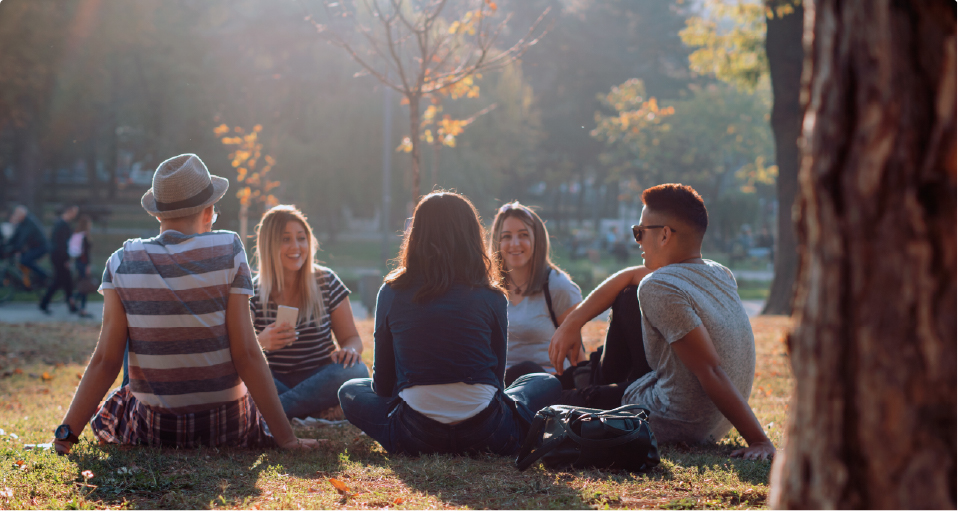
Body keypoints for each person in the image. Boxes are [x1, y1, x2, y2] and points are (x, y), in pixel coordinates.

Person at [51, 153, 319, 454]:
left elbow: (106, 360)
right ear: (209, 210)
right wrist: (287, 440)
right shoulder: (228, 249)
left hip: (155, 430)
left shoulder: (122, 260)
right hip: (226, 426)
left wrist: (65, 437)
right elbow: (246, 352)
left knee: (128, 371)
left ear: (157, 214)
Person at [550, 183, 775, 460]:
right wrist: (573, 322)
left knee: (546, 402)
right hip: (714, 423)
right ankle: (587, 378)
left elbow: (711, 370)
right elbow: (630, 276)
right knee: (628, 296)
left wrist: (759, 440)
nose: (638, 241)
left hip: (674, 418)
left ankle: (584, 383)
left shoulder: (659, 287)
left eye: (640, 232)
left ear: (665, 235)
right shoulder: (719, 272)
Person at [339, 191, 562, 456]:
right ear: (471, 235)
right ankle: (516, 428)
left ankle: (403, 432)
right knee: (545, 382)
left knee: (350, 390)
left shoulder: (391, 292)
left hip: (415, 434)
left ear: (417, 235)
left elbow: (383, 385)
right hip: (488, 432)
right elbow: (496, 382)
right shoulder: (491, 295)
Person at [249, 205, 368, 420]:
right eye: (285, 239)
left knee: (356, 371)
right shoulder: (252, 292)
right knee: (243, 376)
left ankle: (274, 412)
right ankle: (313, 411)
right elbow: (242, 354)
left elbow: (352, 338)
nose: (296, 246)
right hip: (274, 379)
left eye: (301, 238)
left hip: (320, 378)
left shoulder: (327, 281)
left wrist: (350, 350)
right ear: (269, 245)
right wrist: (261, 342)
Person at [489, 202, 583, 385]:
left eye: (523, 235)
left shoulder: (557, 286)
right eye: (506, 236)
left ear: (537, 239)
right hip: (501, 388)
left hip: (548, 388)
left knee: (528, 371)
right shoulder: (488, 289)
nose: (514, 243)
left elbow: (577, 358)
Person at [40, 205, 79, 314]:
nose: (75, 215)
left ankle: (71, 305)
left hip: (58, 256)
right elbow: (62, 245)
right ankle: (44, 303)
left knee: (67, 282)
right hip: (60, 257)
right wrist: (66, 259)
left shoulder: (61, 224)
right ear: (69, 211)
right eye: (75, 212)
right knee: (58, 281)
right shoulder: (62, 225)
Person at [3, 205, 49, 287]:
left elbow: (22, 238)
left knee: (25, 260)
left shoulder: (29, 222)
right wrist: (5, 244)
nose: (16, 216)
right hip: (33, 247)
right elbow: (15, 236)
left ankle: (43, 275)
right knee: (22, 261)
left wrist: (15, 248)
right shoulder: (22, 223)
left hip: (42, 246)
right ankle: (27, 282)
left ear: (22, 214)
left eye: (17, 214)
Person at [70, 214, 94, 319]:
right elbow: (86, 254)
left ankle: (74, 299)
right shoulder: (84, 237)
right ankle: (81, 307)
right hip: (83, 264)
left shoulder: (77, 235)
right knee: (85, 286)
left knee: (82, 285)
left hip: (77, 263)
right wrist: (88, 266)